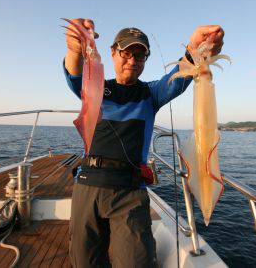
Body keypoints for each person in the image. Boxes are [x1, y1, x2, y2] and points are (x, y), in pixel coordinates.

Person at [63, 18, 224, 268]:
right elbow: (75, 74)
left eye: (140, 55)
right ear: (113, 53)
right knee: (84, 261)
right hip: (89, 184)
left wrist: (195, 48)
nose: (132, 59)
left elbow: (179, 76)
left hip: (130, 190)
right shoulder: (95, 87)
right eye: (126, 52)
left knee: (136, 262)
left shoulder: (151, 93)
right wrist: (75, 50)